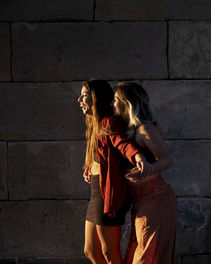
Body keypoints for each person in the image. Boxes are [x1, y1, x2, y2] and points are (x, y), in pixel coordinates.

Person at [77, 79, 149, 264]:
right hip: (96, 191)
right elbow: (101, 153)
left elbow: (122, 143)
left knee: (109, 252)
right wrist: (90, 167)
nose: (79, 99)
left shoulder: (109, 122)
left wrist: (138, 157)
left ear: (96, 98)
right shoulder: (93, 123)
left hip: (107, 193)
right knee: (90, 250)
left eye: (84, 95)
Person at [112, 82, 177, 264]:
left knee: (147, 255)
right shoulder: (125, 131)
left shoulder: (145, 129)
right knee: (139, 251)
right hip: (140, 202)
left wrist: (150, 168)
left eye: (116, 99)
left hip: (156, 199)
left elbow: (167, 159)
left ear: (127, 102)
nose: (112, 104)